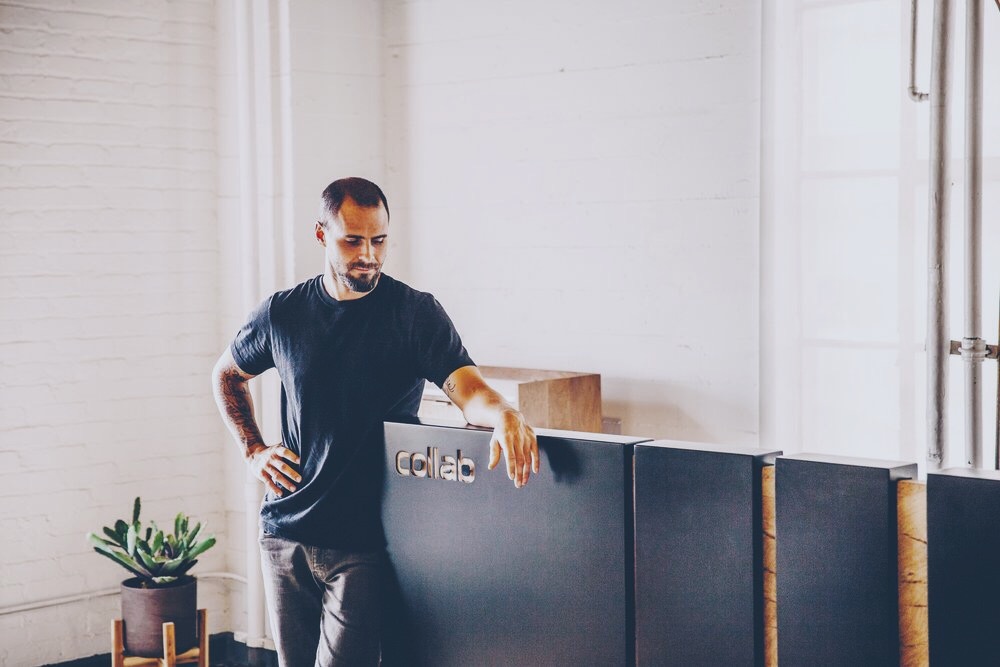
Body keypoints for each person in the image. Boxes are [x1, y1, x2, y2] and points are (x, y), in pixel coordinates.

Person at [211, 176, 539, 667]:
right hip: (284, 533)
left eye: (379, 240)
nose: (368, 255)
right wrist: (253, 449)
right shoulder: (283, 313)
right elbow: (226, 375)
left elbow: (468, 391)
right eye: (353, 241)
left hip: (364, 543)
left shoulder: (414, 314)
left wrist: (505, 413)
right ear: (321, 235)